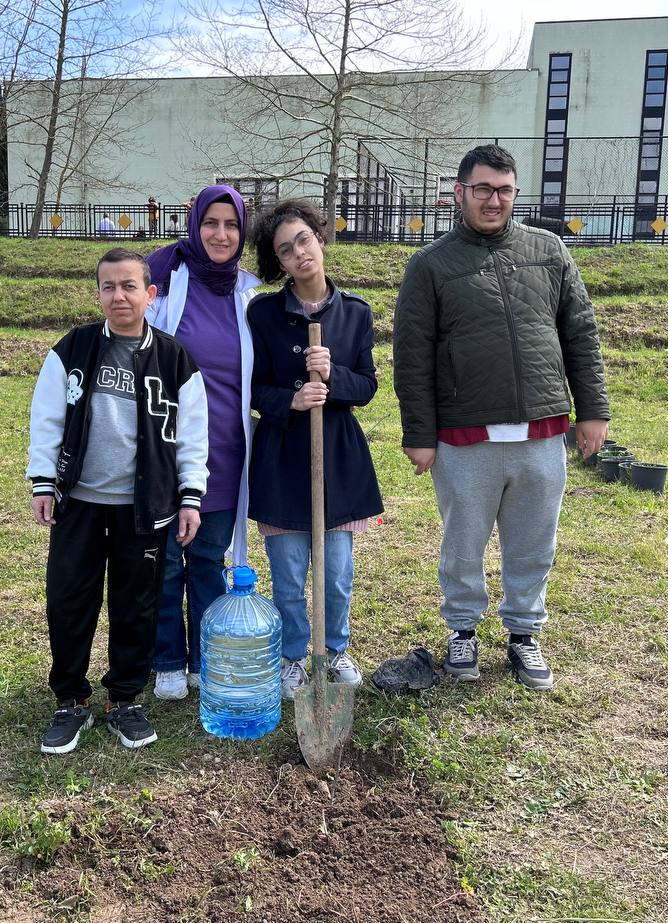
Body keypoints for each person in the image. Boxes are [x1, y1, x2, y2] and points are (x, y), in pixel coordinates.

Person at [392, 144, 610, 690]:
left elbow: (580, 334)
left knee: (534, 538)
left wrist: (593, 412)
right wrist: (419, 434)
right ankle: (462, 629)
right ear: (460, 192)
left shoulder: (550, 250)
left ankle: (524, 634)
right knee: (463, 540)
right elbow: (412, 356)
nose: (495, 200)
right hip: (465, 435)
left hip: (542, 428)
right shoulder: (430, 266)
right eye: (484, 189)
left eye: (505, 189)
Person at [27, 248, 208, 754]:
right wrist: (44, 481)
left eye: (129, 286)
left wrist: (190, 496)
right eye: (108, 286)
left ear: (150, 294)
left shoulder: (174, 359)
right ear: (98, 293)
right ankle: (70, 700)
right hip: (79, 503)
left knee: (137, 603)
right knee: (69, 599)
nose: (118, 296)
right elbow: (46, 418)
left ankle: (125, 698)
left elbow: (193, 436)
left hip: (143, 506)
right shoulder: (74, 349)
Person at [247, 199, 382, 699]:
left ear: (320, 239)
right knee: (287, 575)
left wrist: (332, 377)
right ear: (278, 262)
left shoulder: (355, 313)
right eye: (285, 250)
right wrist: (292, 399)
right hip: (283, 456)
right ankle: (291, 657)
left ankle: (335, 649)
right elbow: (253, 387)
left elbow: (367, 386)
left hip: (338, 457)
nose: (299, 253)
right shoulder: (262, 315)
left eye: (304, 239)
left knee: (336, 574)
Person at [143, 185, 260, 700]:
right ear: (194, 224)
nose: (220, 234)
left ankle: (205, 659)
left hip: (227, 450)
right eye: (210, 223)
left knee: (210, 558)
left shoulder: (249, 293)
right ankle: (167, 657)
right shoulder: (166, 284)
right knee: (166, 559)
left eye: (231, 225)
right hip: (167, 448)